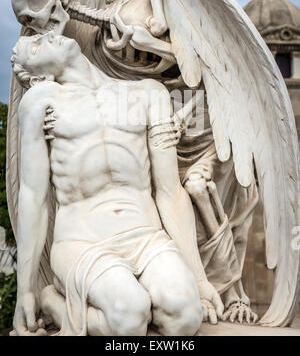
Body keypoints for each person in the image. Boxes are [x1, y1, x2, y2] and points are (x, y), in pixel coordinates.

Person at [11, 32, 223, 336]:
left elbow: (170, 192)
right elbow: (33, 196)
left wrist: (200, 280)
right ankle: (53, 302)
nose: (45, 37)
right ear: (39, 75)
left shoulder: (149, 93)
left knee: (185, 318)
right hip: (83, 241)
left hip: (147, 236)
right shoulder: (41, 102)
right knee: (129, 317)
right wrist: (26, 291)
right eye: (34, 46)